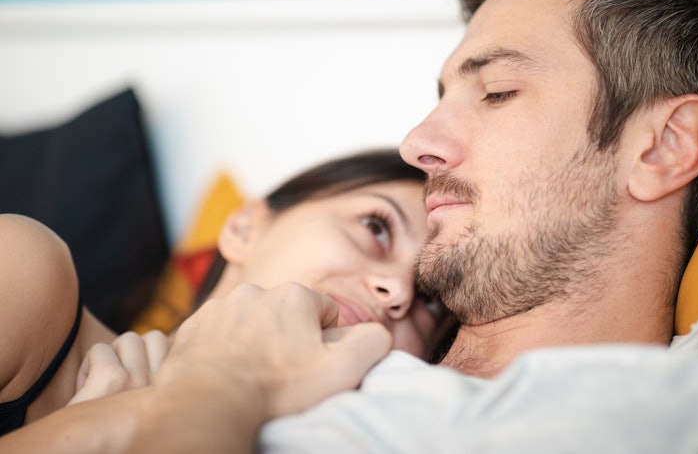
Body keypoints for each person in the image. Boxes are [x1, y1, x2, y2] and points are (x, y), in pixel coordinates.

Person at [0, 0, 698, 452]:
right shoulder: (326, 362)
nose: (419, 143)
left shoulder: (657, 416)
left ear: (661, 146)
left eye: (497, 92)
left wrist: (209, 389)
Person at [0, 149, 453, 444]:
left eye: (430, 297)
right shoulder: (27, 271)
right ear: (244, 228)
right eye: (376, 226)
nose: (397, 291)